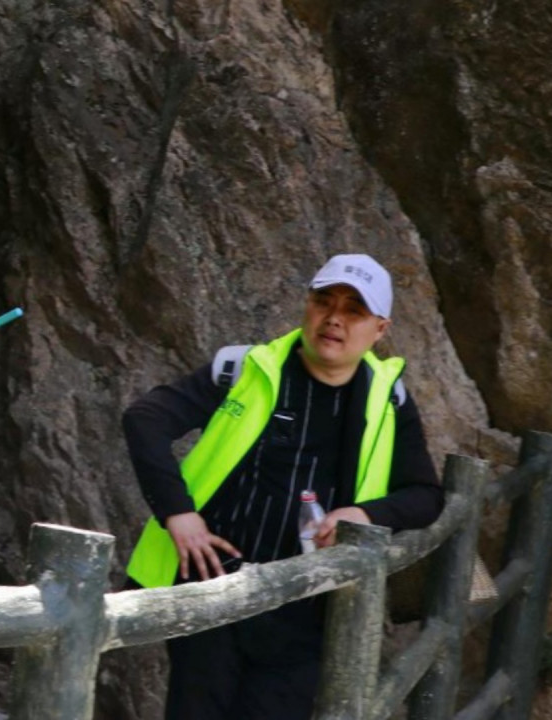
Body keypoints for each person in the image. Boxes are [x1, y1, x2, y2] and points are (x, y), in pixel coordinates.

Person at [122, 253, 444, 720]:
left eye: (354, 310)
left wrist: (364, 514)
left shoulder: (389, 399)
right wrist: (178, 512)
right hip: (216, 590)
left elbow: (425, 495)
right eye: (324, 301)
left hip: (309, 606)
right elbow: (145, 419)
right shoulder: (245, 369)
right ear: (307, 305)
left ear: (380, 329)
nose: (334, 318)